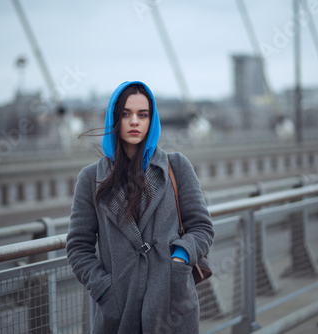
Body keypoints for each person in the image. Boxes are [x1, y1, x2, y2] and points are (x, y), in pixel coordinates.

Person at [66, 80, 214, 333]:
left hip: (172, 304)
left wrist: (180, 258)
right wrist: (103, 288)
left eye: (142, 115)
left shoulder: (177, 167)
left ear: (151, 120)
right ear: (114, 119)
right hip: (119, 308)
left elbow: (201, 228)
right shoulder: (91, 178)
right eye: (126, 114)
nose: (134, 122)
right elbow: (78, 246)